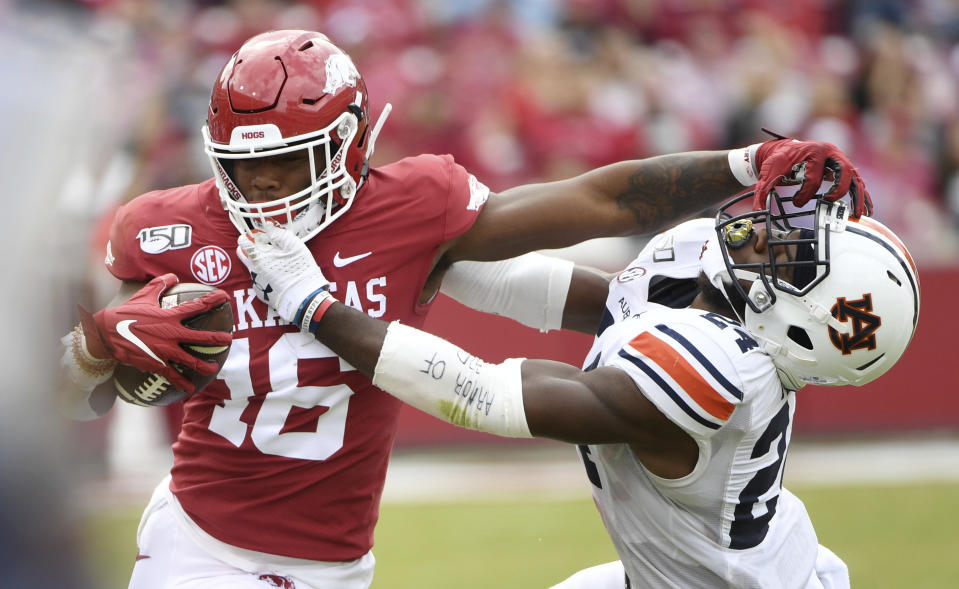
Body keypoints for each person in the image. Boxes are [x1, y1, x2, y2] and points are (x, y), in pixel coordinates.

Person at [57, 29, 871, 588]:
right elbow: (73, 394)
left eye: (288, 165)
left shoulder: (409, 212)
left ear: (346, 145)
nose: (262, 190)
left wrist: (743, 160)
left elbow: (591, 201)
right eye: (243, 169)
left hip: (338, 562)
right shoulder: (165, 228)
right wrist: (97, 347)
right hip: (202, 547)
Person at [236, 189, 919, 588]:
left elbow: (492, 395)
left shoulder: (723, 370)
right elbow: (567, 295)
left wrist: (315, 306)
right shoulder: (717, 311)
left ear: (804, 326)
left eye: (794, 260)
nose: (768, 237)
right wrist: (419, 250)